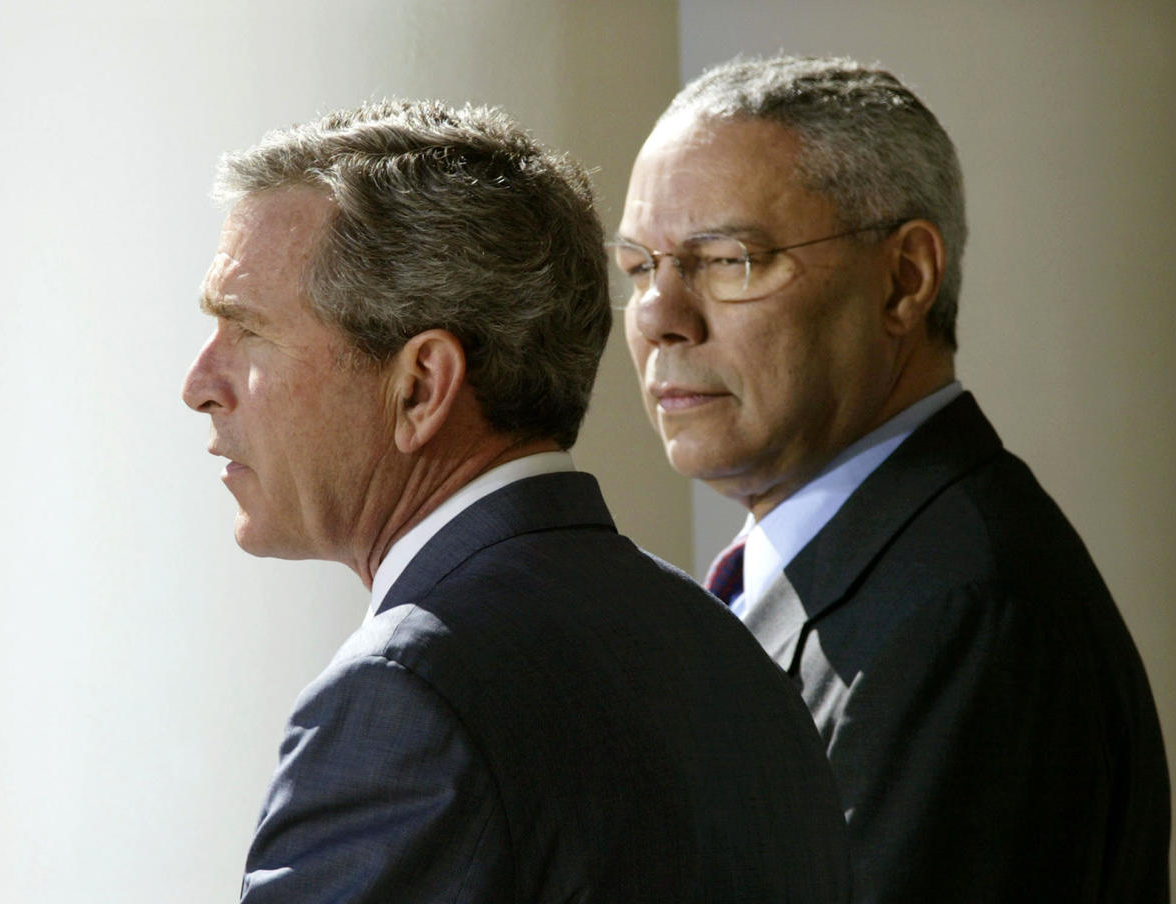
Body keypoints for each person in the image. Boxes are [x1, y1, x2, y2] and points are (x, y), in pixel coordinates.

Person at [181, 99, 850, 904]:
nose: (200, 386)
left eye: (248, 332)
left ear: (421, 386)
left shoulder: (407, 693)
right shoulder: (735, 660)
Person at [615, 55, 1169, 902]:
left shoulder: (968, 615)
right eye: (639, 270)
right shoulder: (844, 573)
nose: (660, 317)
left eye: (727, 259)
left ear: (905, 280)